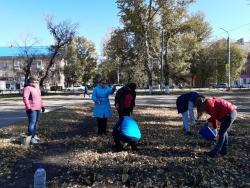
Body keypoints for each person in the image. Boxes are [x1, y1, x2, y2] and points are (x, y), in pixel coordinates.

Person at [23, 76, 45, 144]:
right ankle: (31, 138)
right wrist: (28, 107)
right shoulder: (27, 88)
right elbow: (25, 98)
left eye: (36, 81)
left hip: (38, 108)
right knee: (32, 123)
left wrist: (42, 106)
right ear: (30, 81)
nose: (35, 82)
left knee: (36, 123)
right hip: (31, 109)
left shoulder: (37, 88)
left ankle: (34, 135)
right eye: (33, 81)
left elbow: (39, 98)